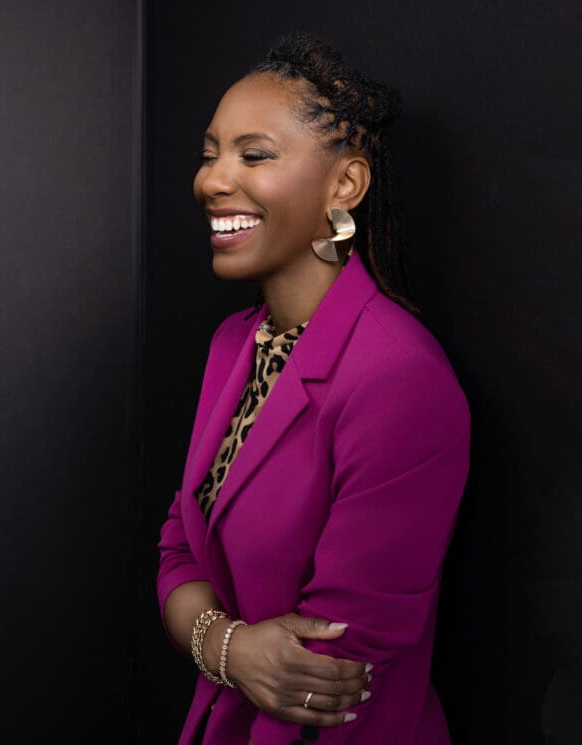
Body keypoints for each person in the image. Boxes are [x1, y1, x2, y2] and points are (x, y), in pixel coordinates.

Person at [155, 31, 471, 745]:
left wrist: (221, 642)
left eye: (253, 155)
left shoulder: (397, 379)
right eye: (210, 153)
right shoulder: (236, 344)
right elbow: (178, 549)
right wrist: (231, 648)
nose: (211, 180)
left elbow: (324, 678)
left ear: (345, 186)